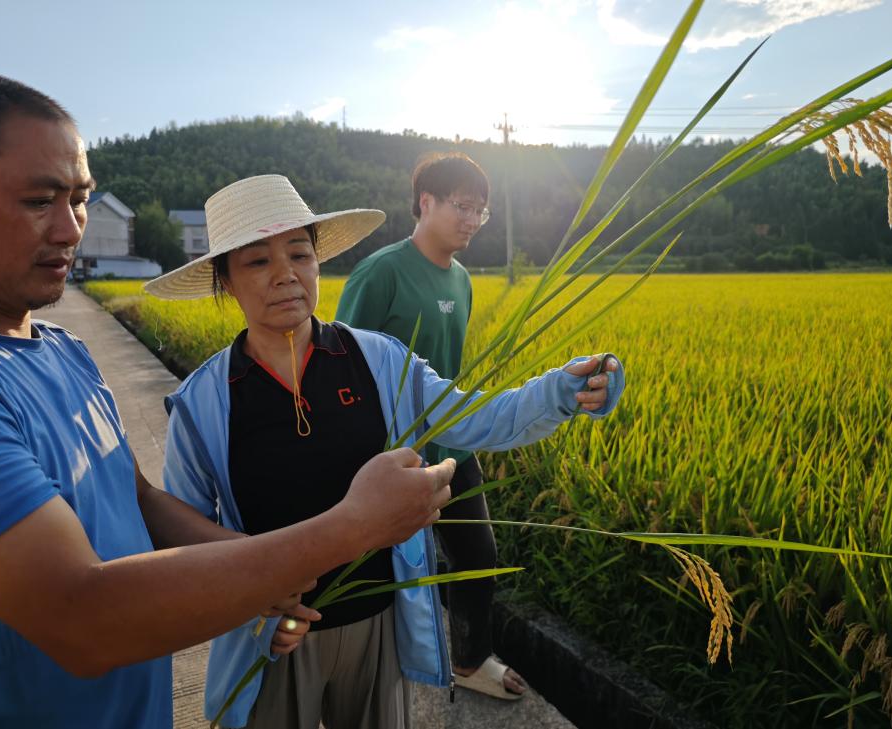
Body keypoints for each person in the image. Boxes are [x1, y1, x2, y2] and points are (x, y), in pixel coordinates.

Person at [0, 70, 455, 729]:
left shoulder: (60, 349)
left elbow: (141, 500)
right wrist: (351, 528)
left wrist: (270, 583)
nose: (70, 229)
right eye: (40, 200)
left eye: (81, 199)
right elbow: (82, 616)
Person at [143, 173, 624, 729]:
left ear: (318, 263)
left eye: (299, 253)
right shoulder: (203, 403)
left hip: (377, 624)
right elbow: (187, 534)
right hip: (272, 638)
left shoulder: (378, 360)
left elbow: (476, 417)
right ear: (224, 280)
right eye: (256, 262)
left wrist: (561, 391)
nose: (285, 275)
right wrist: (253, 606)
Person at [336, 151, 541, 699]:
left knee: (476, 556)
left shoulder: (464, 281)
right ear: (425, 203)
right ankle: (360, 666)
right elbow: (338, 362)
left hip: (452, 445)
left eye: (481, 211)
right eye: (463, 206)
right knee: (376, 566)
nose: (472, 219)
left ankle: (469, 662)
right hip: (388, 455)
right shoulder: (381, 273)